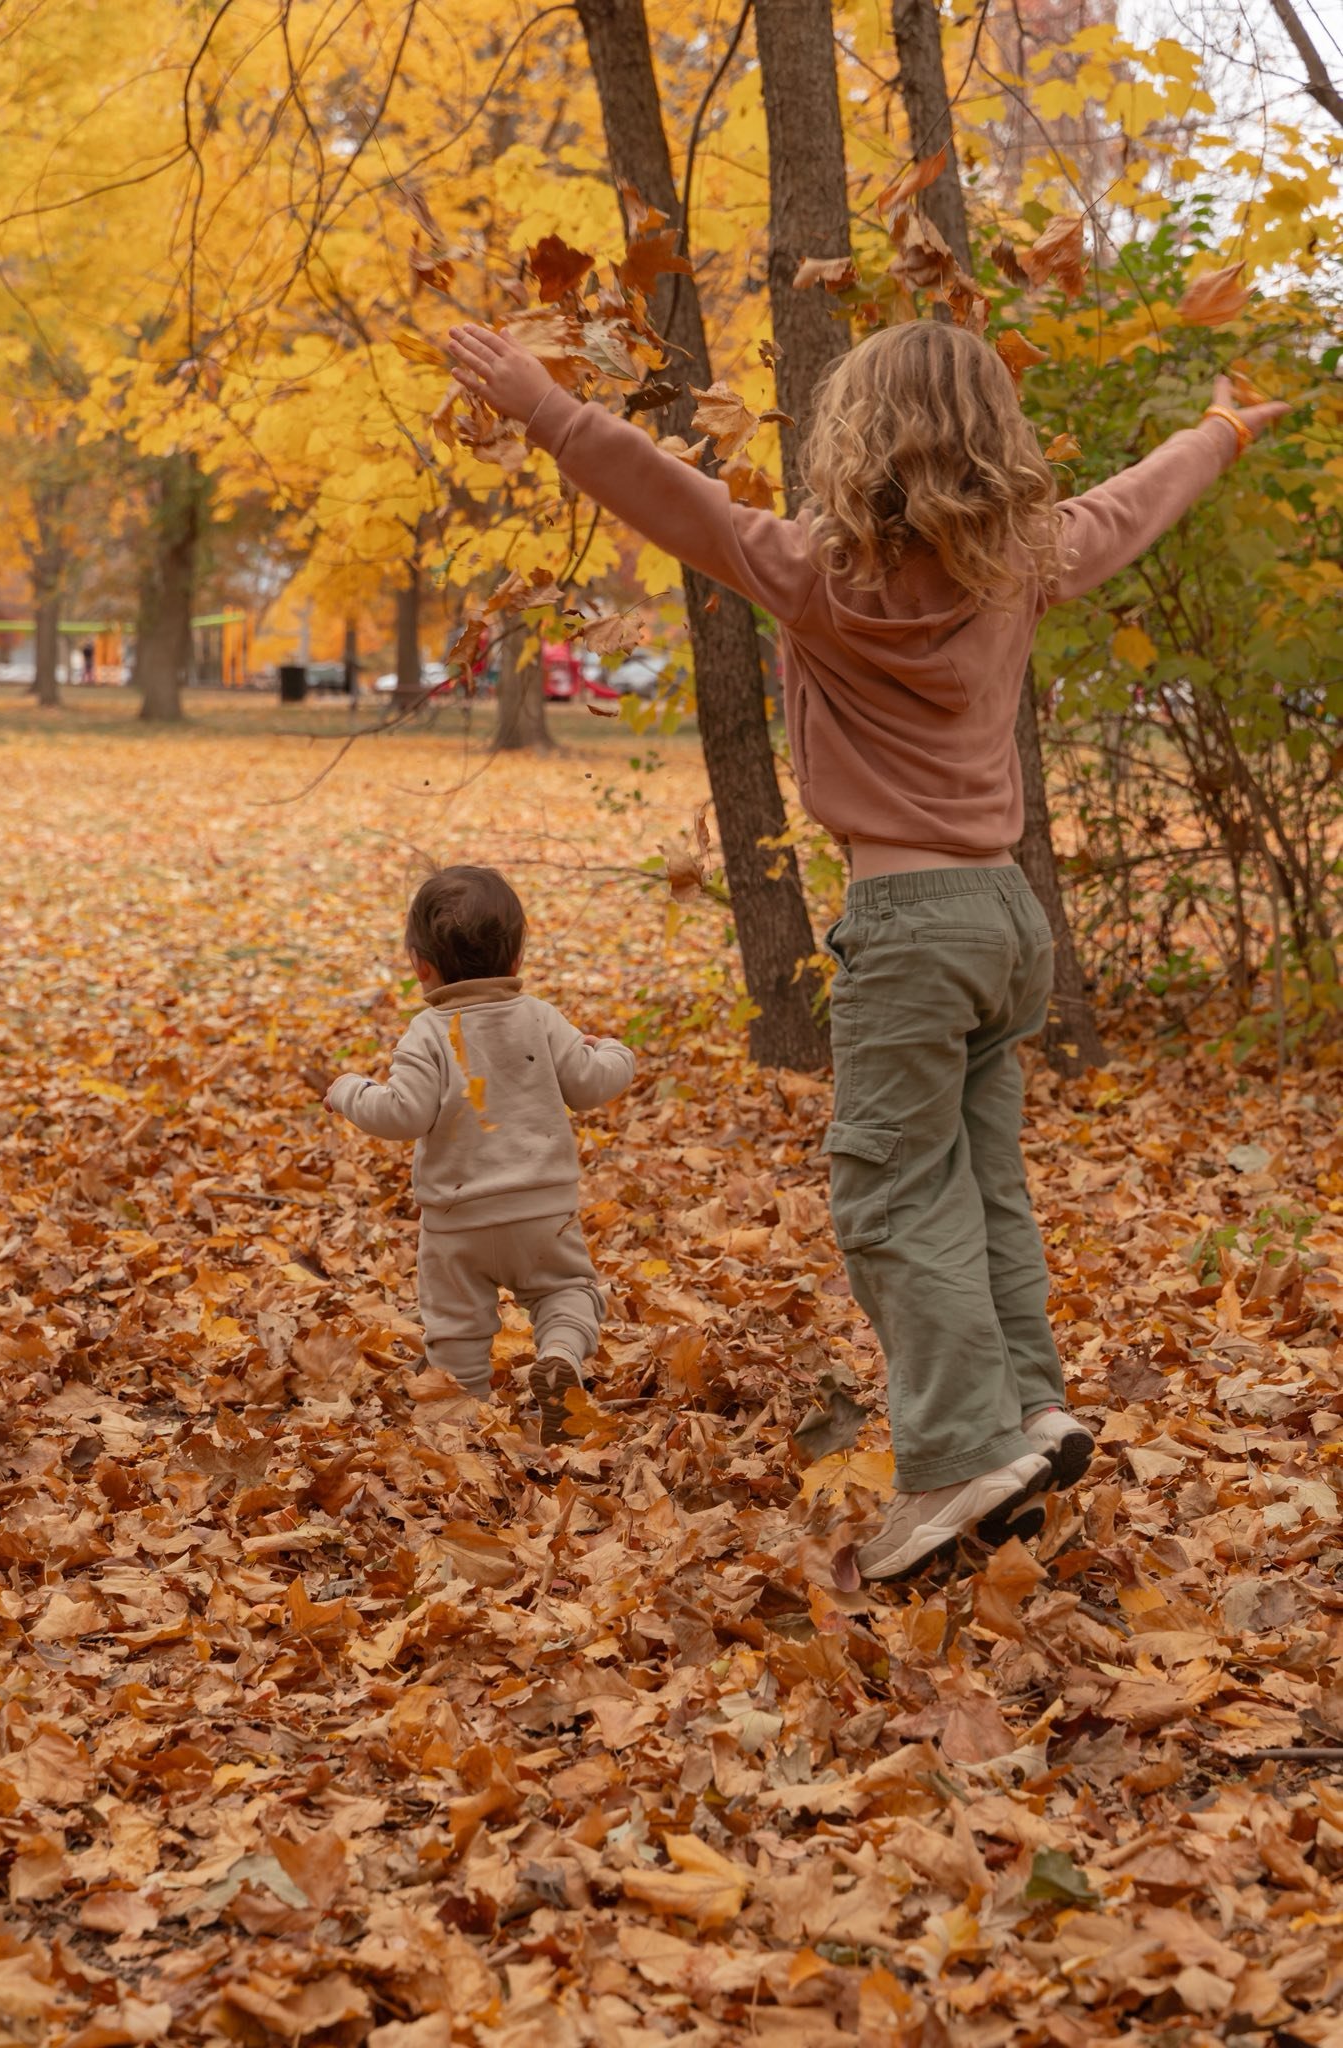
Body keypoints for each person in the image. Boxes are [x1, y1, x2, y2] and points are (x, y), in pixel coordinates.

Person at [444, 317, 1288, 1578]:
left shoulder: (814, 572)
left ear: (860, 439)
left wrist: (541, 404)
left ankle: (956, 1452)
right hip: (1007, 924)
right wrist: (1216, 431)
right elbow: (1129, 507)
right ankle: (1028, 1407)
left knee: (889, 1192)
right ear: (989, 443)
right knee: (977, 1177)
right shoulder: (1023, 562)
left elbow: (660, 489)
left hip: (907, 929)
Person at [324, 865, 635, 1441]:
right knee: (567, 1294)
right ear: (517, 958)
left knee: (457, 1327)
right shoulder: (540, 1017)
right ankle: (561, 1358)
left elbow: (403, 1115)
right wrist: (615, 1050)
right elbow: (592, 1085)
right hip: (542, 1213)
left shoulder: (427, 1031)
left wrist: (349, 1091)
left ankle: (460, 1428)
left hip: (456, 1221)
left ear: (421, 965)